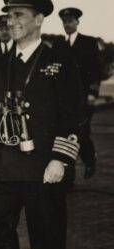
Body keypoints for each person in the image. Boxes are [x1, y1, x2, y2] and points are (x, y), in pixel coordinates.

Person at [0, 0, 82, 249]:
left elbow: (74, 113)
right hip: (5, 164)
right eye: (8, 15)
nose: (11, 21)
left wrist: (61, 158)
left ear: (38, 19)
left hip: (44, 166)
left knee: (47, 241)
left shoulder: (60, 60)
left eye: (18, 15)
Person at [54, 7, 103, 179]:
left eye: (70, 21)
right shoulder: (58, 44)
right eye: (64, 22)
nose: (67, 24)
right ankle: (68, 177)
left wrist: (92, 93)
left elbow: (97, 69)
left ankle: (90, 159)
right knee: (66, 133)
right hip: (64, 99)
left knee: (81, 132)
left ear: (77, 22)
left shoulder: (88, 42)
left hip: (84, 98)